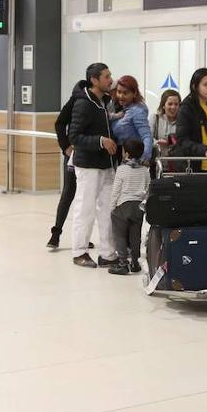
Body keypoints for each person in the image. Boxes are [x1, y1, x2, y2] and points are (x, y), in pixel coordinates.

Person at [67, 62, 118, 268]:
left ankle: (107, 253)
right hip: (88, 166)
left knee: (107, 209)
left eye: (110, 75)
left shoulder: (103, 102)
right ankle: (79, 251)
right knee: (85, 208)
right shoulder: (83, 103)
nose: (111, 80)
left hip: (105, 165)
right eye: (106, 76)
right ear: (94, 80)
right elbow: (75, 136)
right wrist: (101, 141)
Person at [107, 139, 149, 275]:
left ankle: (123, 263)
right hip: (138, 207)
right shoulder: (145, 170)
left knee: (120, 235)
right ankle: (135, 263)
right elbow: (148, 189)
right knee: (135, 235)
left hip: (122, 206)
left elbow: (116, 190)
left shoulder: (122, 169)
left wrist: (112, 207)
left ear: (127, 153)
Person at [49, 83, 82, 250]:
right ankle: (56, 233)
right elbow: (60, 123)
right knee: (69, 193)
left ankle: (82, 237)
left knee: (83, 198)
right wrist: (66, 148)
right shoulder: (77, 98)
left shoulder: (102, 100)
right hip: (74, 155)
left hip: (85, 155)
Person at [108, 75, 153, 164]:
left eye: (125, 93)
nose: (121, 96)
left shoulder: (137, 111)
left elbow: (147, 136)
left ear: (134, 93)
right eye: (119, 92)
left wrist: (144, 157)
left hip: (134, 161)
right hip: (122, 158)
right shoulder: (121, 107)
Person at [150, 89, 181, 161]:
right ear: (163, 105)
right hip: (157, 164)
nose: (173, 107)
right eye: (170, 104)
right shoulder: (155, 118)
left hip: (177, 165)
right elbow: (147, 138)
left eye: (176, 104)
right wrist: (156, 143)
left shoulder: (183, 122)